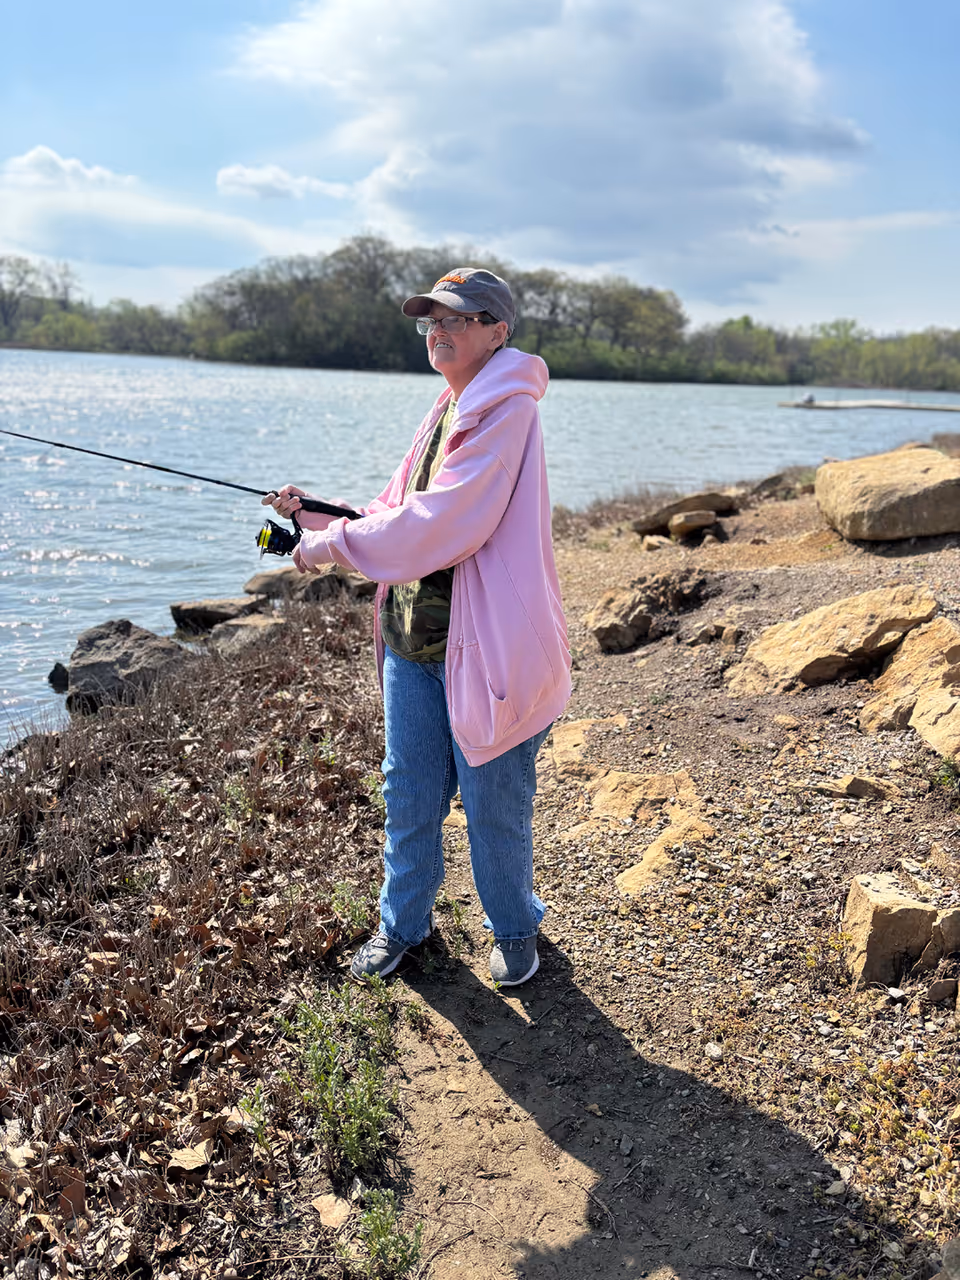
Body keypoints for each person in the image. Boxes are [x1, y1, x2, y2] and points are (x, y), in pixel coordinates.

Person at [263, 268, 571, 986]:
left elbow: (443, 526)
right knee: (407, 794)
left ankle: (516, 928)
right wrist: (314, 511)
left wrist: (321, 549)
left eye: (456, 320)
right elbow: (395, 506)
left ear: (498, 331)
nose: (438, 331)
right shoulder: (448, 404)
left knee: (496, 805)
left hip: (485, 649)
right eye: (430, 320)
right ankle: (402, 926)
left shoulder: (506, 411)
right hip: (411, 641)